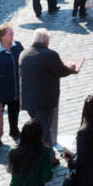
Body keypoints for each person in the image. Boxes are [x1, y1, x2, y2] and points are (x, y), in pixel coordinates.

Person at [20, 27, 81, 155]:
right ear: (46, 42)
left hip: (29, 100)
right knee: (44, 130)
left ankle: (39, 153)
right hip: (45, 101)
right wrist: (71, 69)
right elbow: (61, 71)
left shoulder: (24, 54)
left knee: (37, 128)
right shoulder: (50, 55)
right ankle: (49, 158)